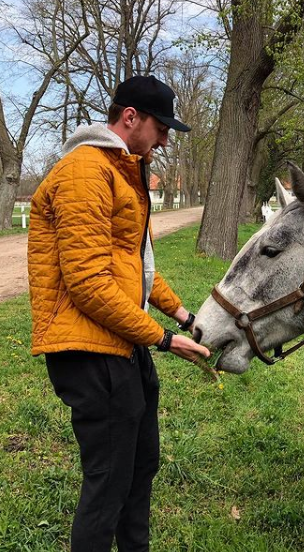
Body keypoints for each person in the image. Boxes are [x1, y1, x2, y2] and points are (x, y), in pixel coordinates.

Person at [27, 75, 210, 551]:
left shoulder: (123, 172)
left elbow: (138, 269)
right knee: (108, 483)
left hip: (121, 345)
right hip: (89, 351)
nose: (167, 139)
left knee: (140, 466)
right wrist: (164, 338)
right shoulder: (86, 171)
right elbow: (88, 284)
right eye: (162, 127)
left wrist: (185, 317)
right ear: (130, 117)